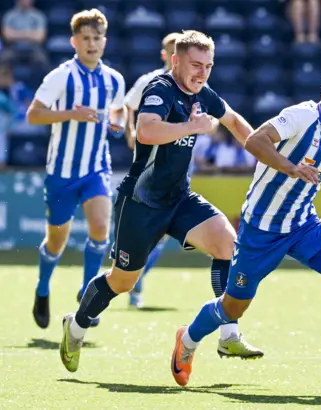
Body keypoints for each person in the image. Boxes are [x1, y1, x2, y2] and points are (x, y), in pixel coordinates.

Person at [169, 67, 321, 388]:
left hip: (303, 223)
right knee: (234, 306)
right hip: (261, 228)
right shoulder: (301, 117)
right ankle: (188, 339)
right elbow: (255, 141)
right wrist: (290, 167)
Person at [58, 30, 264, 373]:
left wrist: (270, 156)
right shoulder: (159, 88)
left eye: (208, 66)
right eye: (196, 65)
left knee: (229, 245)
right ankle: (76, 325)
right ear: (175, 60)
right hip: (141, 202)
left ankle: (228, 333)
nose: (202, 73)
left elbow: (234, 122)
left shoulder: (203, 93)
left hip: (179, 199)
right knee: (122, 281)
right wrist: (191, 127)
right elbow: (147, 131)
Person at [26, 9, 126, 329]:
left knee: (100, 228)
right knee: (57, 241)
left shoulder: (114, 79)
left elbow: (120, 111)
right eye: (85, 38)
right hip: (62, 172)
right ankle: (42, 290)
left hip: (96, 168)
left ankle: (87, 296)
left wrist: (117, 125)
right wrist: (72, 113)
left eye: (97, 38)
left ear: (104, 41)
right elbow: (34, 115)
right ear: (74, 42)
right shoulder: (61, 76)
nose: (92, 44)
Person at [122, 32, 180, 309]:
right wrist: (131, 130)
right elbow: (127, 106)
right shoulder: (148, 81)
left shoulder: (191, 85)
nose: (174, 56)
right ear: (164, 54)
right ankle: (125, 279)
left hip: (174, 171)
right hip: (147, 167)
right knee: (142, 231)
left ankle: (133, 279)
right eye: (170, 51)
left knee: (161, 235)